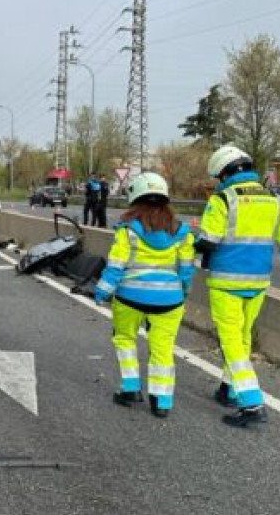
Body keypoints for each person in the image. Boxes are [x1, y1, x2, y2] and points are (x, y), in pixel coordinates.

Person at [196, 145, 280, 428]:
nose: (218, 182)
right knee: (244, 335)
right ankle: (228, 389)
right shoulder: (276, 200)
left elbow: (207, 242)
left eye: (218, 176)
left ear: (224, 172)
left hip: (226, 283)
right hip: (258, 283)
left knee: (231, 342)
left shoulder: (223, 199)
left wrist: (190, 239)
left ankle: (251, 403)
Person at [94, 172, 196, 419]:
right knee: (162, 348)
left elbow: (116, 266)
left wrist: (102, 292)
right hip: (169, 301)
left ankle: (130, 388)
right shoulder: (182, 232)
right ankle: (161, 401)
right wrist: (184, 291)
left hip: (130, 297)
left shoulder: (127, 231)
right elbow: (186, 268)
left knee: (125, 339)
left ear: (134, 199)